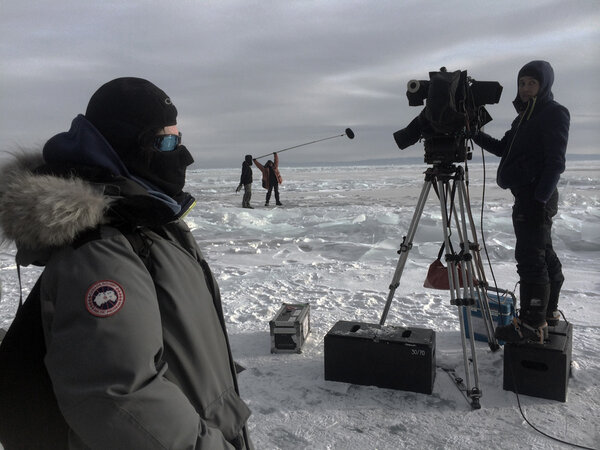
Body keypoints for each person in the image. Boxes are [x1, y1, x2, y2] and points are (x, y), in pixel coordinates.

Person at [0, 77, 252, 448]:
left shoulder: (151, 221)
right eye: (167, 141)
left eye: (179, 140)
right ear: (124, 145)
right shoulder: (102, 253)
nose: (182, 155)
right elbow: (118, 398)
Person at [473, 60, 570, 344]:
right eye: (522, 83)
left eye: (532, 83)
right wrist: (474, 134)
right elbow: (504, 148)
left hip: (536, 197)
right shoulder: (524, 117)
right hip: (528, 195)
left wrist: (539, 198)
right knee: (543, 253)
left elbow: (556, 163)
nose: (526, 88)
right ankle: (547, 314)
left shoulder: (553, 113)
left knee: (530, 258)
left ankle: (530, 324)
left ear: (544, 85)